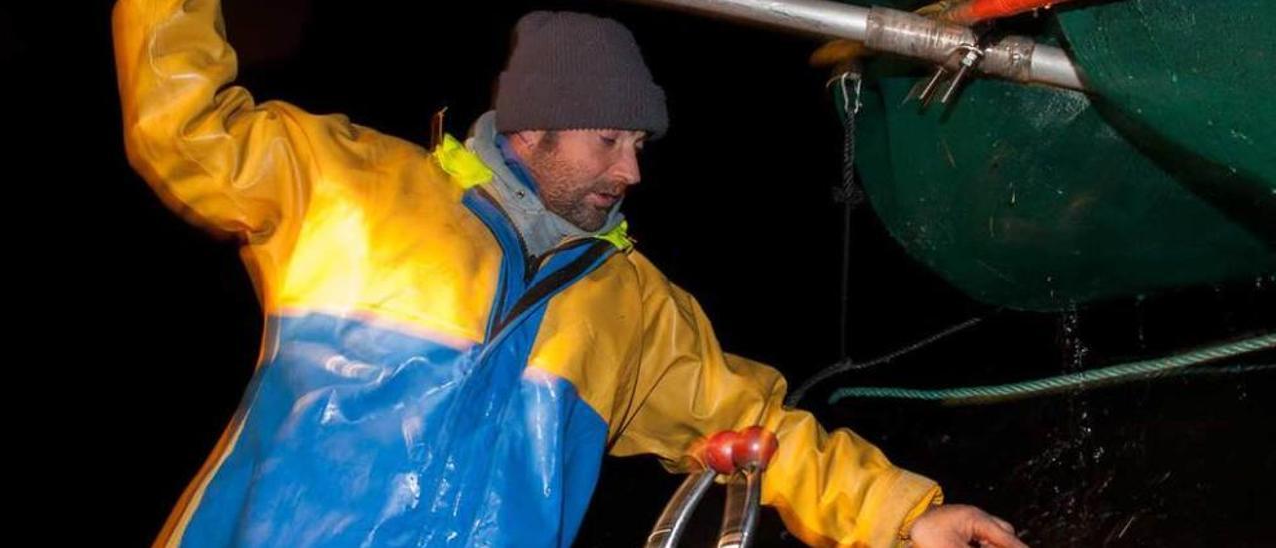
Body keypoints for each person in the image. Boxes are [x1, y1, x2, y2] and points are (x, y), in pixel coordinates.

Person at [113, 1, 1025, 546]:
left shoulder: (629, 309)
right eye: (608, 140)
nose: (631, 171)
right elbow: (186, 122)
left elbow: (761, 432)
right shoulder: (347, 188)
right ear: (533, 127)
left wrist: (905, 521)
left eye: (638, 144)